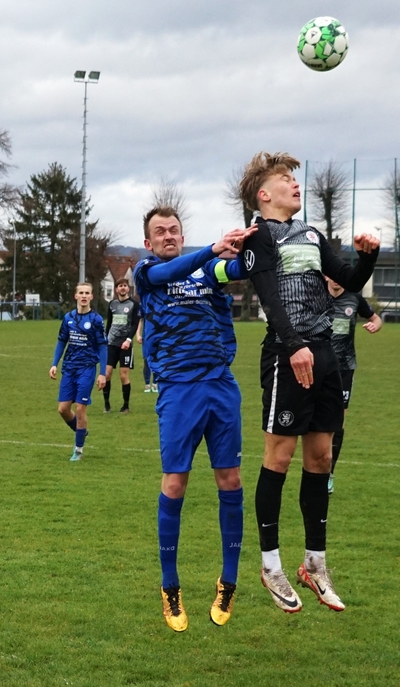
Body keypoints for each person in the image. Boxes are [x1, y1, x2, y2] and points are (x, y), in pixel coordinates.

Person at [238, 151, 379, 614]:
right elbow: (269, 297)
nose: (295, 184)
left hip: (324, 355)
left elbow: (349, 279)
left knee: (321, 458)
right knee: (279, 457)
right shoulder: (259, 236)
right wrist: (294, 343)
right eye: (285, 179)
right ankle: (270, 566)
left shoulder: (313, 234)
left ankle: (314, 564)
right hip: (286, 353)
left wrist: (368, 256)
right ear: (264, 194)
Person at [134, 206, 254, 631]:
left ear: (183, 237)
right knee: (174, 483)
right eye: (160, 232)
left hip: (220, 385)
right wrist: (212, 249)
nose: (168, 236)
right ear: (148, 242)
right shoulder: (147, 272)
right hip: (178, 391)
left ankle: (229, 581)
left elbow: (235, 270)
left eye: (174, 230)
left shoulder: (208, 270)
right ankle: (170, 587)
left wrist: (253, 244)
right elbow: (174, 271)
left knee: (231, 480)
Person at [325, 278, 382, 495]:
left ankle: (329, 473)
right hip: (319, 365)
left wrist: (375, 325)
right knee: (315, 420)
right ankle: (315, 469)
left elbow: (376, 318)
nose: (335, 280)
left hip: (344, 368)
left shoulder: (354, 298)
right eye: (331, 275)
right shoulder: (317, 295)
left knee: (338, 422)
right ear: (326, 276)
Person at [49, 283, 107, 462]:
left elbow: (102, 346)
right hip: (69, 368)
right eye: (81, 292)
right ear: (75, 296)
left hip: (87, 368)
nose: (84, 296)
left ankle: (78, 450)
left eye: (87, 293)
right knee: (63, 409)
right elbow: (62, 341)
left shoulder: (96, 320)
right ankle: (81, 430)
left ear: (91, 297)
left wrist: (102, 373)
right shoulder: (68, 318)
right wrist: (54, 364)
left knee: (80, 408)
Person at [102, 278, 142, 413]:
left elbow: (135, 324)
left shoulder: (134, 304)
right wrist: (105, 339)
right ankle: (107, 405)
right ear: (116, 289)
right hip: (111, 343)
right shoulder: (112, 304)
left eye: (125, 285)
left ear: (128, 288)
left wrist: (128, 340)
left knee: (123, 375)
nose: (122, 288)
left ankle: (126, 406)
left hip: (125, 345)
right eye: (120, 286)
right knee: (106, 374)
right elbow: (109, 323)